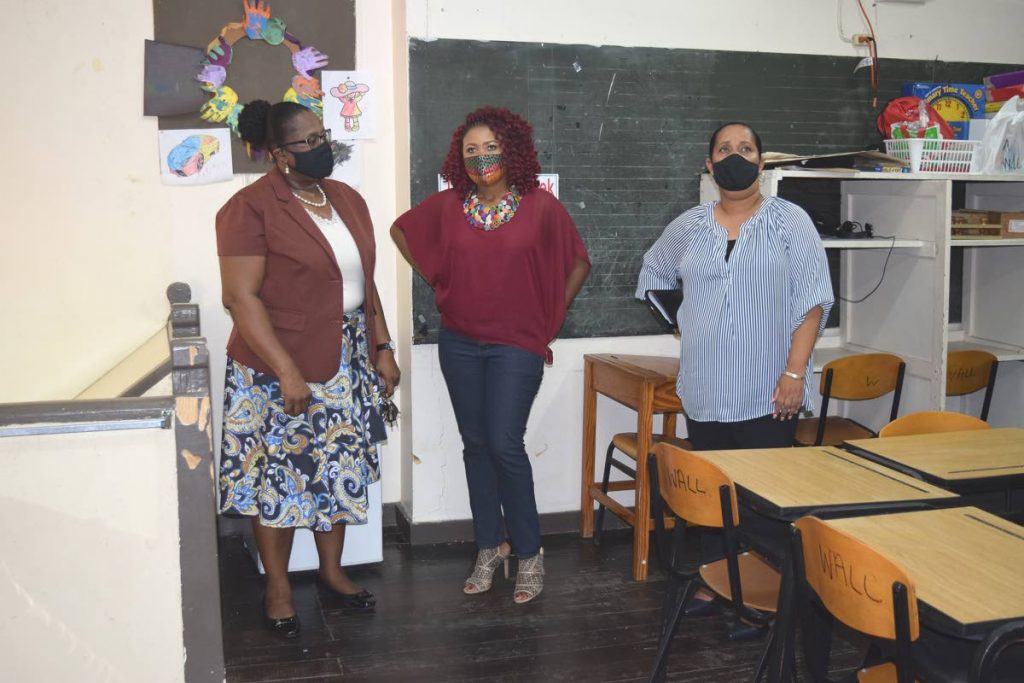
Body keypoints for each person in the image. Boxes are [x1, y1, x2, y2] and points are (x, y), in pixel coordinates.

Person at [391, 107, 590, 604]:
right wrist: (438, 279)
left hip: (516, 345)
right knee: (476, 445)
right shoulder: (448, 205)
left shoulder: (541, 208)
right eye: (471, 151)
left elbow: (578, 263)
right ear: (460, 161)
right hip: (459, 342)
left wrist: (549, 318)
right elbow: (401, 231)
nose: (482, 158)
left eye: (491, 147)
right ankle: (488, 547)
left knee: (504, 444)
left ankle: (528, 553)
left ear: (513, 150)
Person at [216, 99, 400, 638]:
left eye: (324, 135)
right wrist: (287, 372)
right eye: (309, 141)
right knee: (280, 475)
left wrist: (382, 346)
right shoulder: (249, 208)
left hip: (345, 357)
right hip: (275, 365)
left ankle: (332, 572)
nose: (324, 147)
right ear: (279, 155)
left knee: (336, 465)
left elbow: (363, 285)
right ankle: (277, 586)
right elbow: (240, 298)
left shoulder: (346, 199)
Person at [636, 122, 833, 608]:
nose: (734, 155)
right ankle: (716, 577)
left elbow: (812, 303)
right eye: (724, 149)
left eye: (745, 148)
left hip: (768, 391)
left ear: (761, 163)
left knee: (763, 504)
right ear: (709, 164)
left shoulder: (791, 221)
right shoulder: (688, 225)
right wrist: (685, 324)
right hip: (705, 391)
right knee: (711, 496)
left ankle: (760, 597)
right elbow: (653, 273)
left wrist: (793, 374)